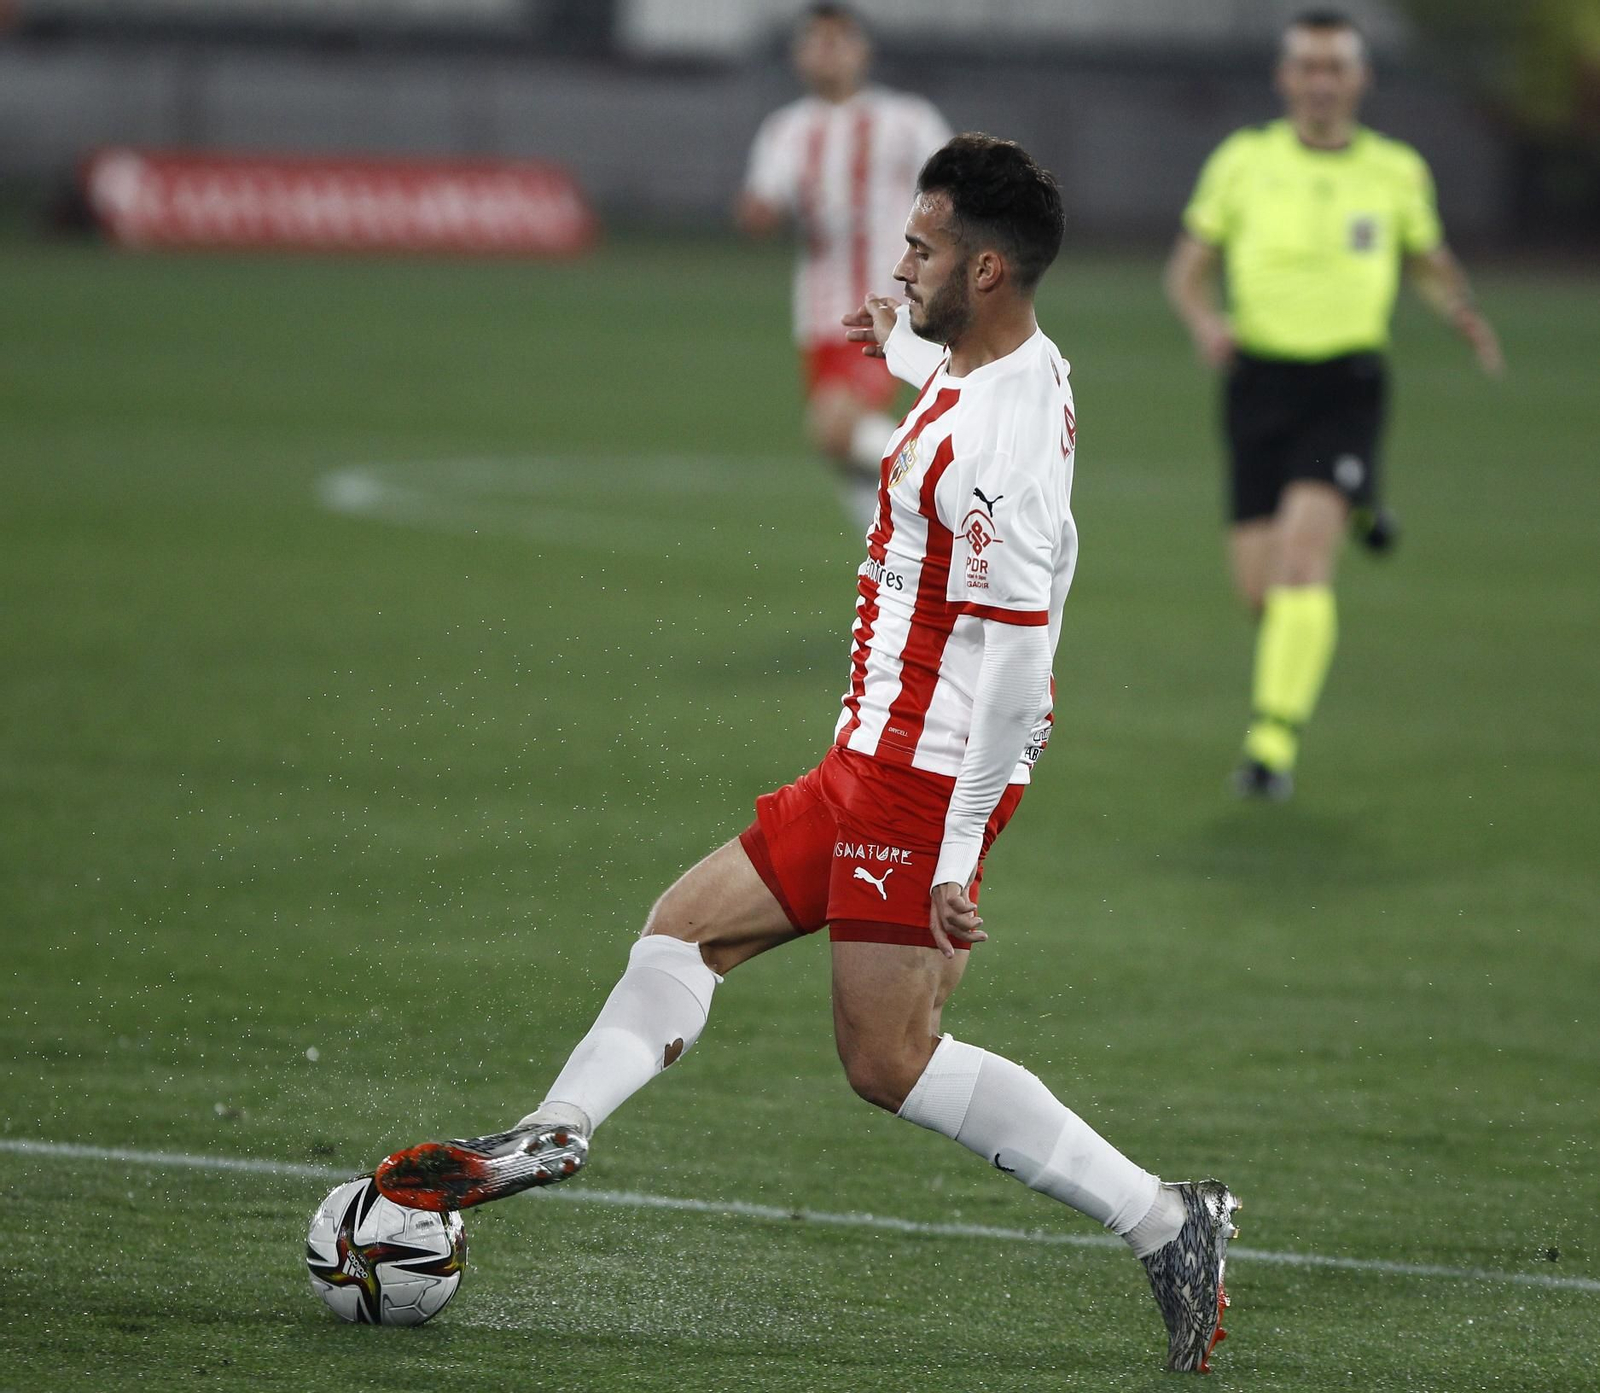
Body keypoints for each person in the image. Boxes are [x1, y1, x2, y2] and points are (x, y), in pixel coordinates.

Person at [375, 135, 1241, 1375]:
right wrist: (891, 337)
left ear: (986, 269)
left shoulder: (995, 448)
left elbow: (1009, 671)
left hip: (921, 775)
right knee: (683, 929)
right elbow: (945, 386)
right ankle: (554, 1126)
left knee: (886, 1060)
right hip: (871, 756)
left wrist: (950, 849)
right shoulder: (1005, 362)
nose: (900, 264)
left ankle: (1166, 1221)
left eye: (922, 250)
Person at [1164, 9, 1503, 800]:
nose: (1321, 81)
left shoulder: (1395, 171)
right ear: (1286, 78)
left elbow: (1426, 260)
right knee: (1260, 593)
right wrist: (1207, 323)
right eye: (1307, 67)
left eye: (1335, 67)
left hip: (1345, 385)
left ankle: (1268, 749)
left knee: (1300, 565)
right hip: (1256, 385)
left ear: (1361, 79)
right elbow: (1187, 269)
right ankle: (1359, 501)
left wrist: (1461, 311)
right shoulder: (1243, 162)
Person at [737, 2, 952, 533]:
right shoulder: (786, 130)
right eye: (816, 41)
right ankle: (897, 567)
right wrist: (756, 214)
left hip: (891, 304)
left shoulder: (907, 118)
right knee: (846, 453)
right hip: (819, 312)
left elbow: (957, 183)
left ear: (862, 50)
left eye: (839, 41)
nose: (827, 52)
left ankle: (958, 477)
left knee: (834, 429)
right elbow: (762, 203)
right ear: (798, 54)